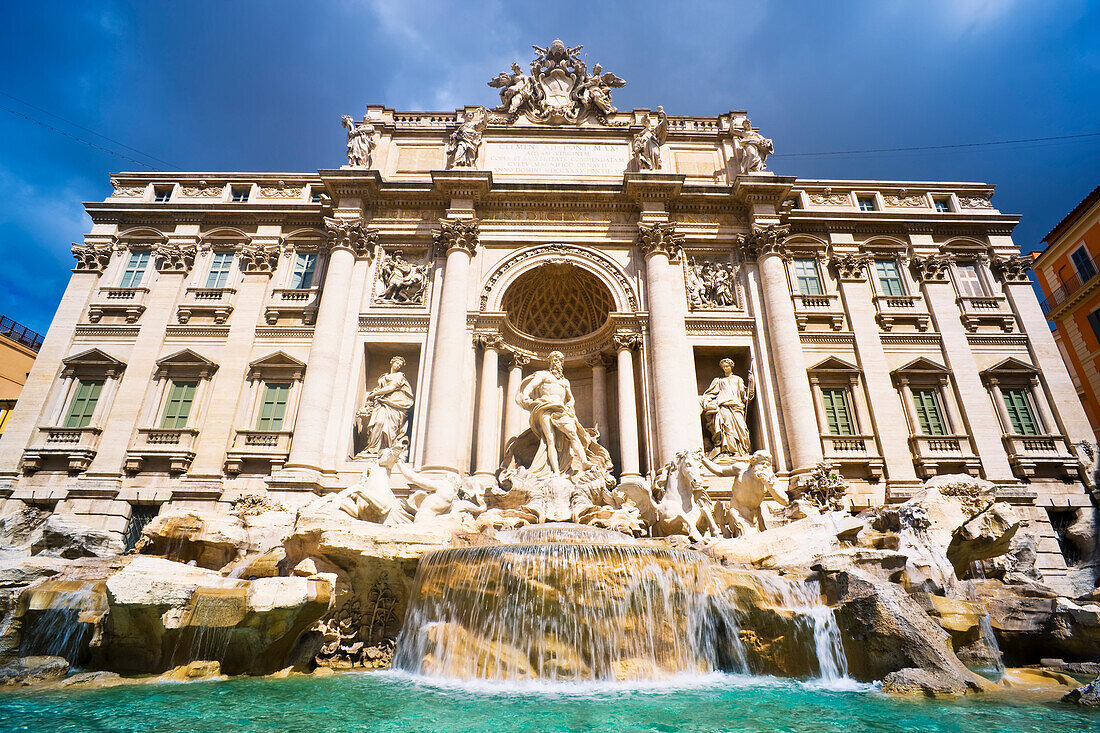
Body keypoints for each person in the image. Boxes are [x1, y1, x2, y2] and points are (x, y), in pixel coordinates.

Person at [516, 351, 594, 475]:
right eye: (554, 360)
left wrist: (570, 405)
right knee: (550, 439)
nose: (556, 362)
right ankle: (556, 471)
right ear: (550, 362)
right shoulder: (543, 375)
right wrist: (525, 396)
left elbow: (571, 398)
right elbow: (530, 387)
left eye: (558, 360)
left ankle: (584, 461)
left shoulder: (565, 382)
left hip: (561, 409)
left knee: (572, 433)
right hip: (544, 407)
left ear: (562, 364)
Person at [357, 356, 414, 455]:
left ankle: (386, 449)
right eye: (397, 363)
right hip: (383, 403)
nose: (398, 365)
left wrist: (375, 393)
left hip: (395, 405)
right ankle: (372, 448)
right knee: (378, 422)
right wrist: (376, 394)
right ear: (392, 363)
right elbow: (382, 388)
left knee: (390, 428)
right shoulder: (384, 377)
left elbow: (391, 387)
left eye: (400, 365)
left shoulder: (399, 376)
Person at [700, 358, 754, 457]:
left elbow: (744, 396)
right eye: (723, 367)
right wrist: (706, 402)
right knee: (727, 429)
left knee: (741, 428)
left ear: (731, 366)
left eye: (727, 366)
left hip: (736, 407)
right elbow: (711, 393)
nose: (725, 368)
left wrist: (751, 383)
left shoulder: (738, 379)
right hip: (723, 406)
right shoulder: (718, 380)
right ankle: (729, 451)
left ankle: (741, 450)